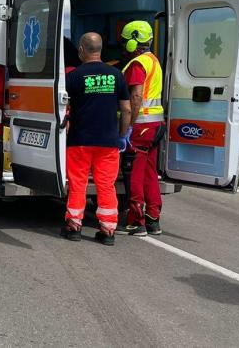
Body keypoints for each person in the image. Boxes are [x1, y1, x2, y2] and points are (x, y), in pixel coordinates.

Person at [61, 32, 133, 246]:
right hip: (108, 142)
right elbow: (127, 109)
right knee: (106, 185)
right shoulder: (116, 75)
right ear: (100, 50)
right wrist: (121, 134)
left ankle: (74, 226)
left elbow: (65, 108)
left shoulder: (73, 76)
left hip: (80, 141)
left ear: (81, 50)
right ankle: (107, 230)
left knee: (78, 184)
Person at [119, 20, 164, 237]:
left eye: (125, 41)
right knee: (149, 173)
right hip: (156, 126)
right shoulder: (153, 60)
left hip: (141, 127)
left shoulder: (137, 64)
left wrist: (128, 125)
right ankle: (153, 219)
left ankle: (136, 221)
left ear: (132, 42)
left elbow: (136, 96)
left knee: (134, 172)